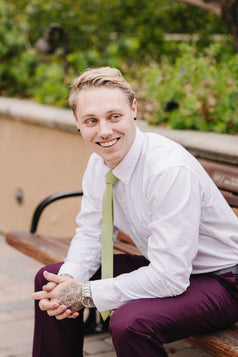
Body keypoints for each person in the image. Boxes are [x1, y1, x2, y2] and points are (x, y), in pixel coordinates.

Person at [32, 66, 238, 357]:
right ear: (78, 123)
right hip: (172, 266)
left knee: (131, 323)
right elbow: (92, 233)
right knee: (50, 280)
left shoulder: (167, 170)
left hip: (222, 281)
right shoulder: (98, 165)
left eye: (114, 116)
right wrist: (69, 282)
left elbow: (170, 277)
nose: (104, 131)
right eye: (91, 120)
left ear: (133, 109)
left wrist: (85, 294)